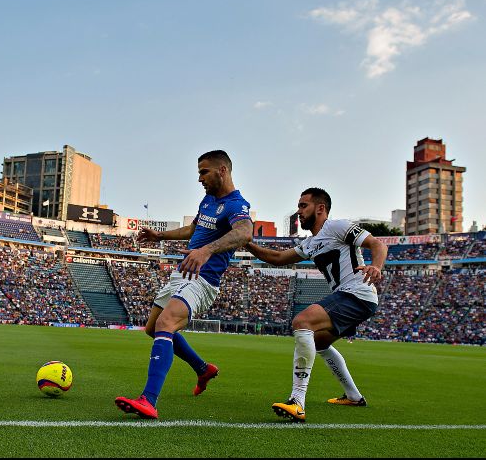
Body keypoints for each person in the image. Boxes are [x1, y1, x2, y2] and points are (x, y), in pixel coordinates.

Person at [115, 150, 253, 419]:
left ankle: (148, 400)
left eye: (204, 172)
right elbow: (192, 230)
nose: (200, 178)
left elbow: (245, 232)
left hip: (203, 279)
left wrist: (206, 251)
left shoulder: (237, 205)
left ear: (222, 170)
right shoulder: (208, 200)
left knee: (166, 324)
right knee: (152, 329)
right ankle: (203, 369)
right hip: (182, 274)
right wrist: (160, 236)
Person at [244, 187, 388, 422]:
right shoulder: (310, 243)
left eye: (303, 206)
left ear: (320, 208)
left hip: (357, 293)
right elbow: (277, 258)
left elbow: (378, 245)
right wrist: (247, 244)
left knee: (302, 321)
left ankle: (297, 401)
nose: (299, 211)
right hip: (350, 296)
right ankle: (354, 396)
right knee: (319, 343)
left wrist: (376, 266)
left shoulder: (337, 226)